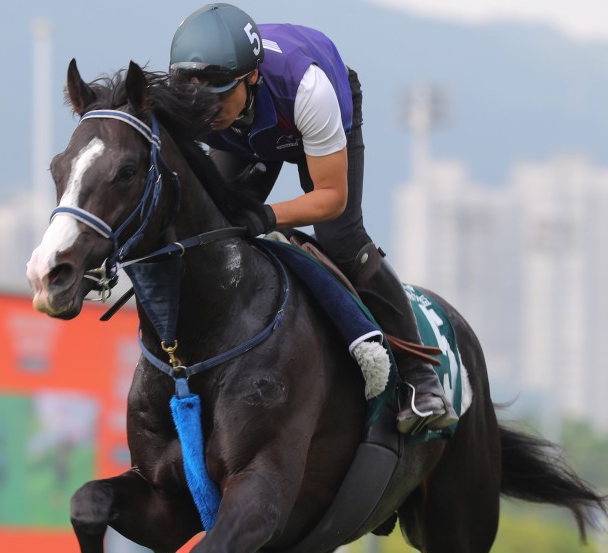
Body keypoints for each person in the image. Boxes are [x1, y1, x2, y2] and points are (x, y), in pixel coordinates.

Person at [169, 3, 457, 435]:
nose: (208, 112)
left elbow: (331, 198)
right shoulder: (194, 105)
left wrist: (266, 215)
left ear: (250, 75)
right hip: (253, 131)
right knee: (214, 229)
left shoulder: (308, 88)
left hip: (300, 116)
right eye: (197, 100)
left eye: (219, 95)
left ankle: (421, 377)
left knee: (342, 241)